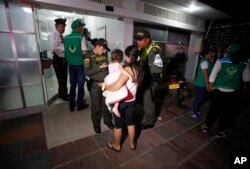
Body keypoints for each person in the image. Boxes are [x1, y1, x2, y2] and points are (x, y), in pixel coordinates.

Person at [202, 44, 249, 138]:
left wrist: (210, 86)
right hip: (233, 93)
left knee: (213, 110)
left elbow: (213, 75)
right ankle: (220, 131)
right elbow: (246, 78)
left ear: (229, 52)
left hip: (218, 91)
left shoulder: (221, 61)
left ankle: (206, 127)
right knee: (226, 112)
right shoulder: (245, 63)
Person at [104, 45, 144, 152]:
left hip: (122, 101)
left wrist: (106, 87)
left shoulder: (127, 68)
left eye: (126, 56)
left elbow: (117, 86)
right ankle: (132, 143)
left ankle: (117, 145)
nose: (126, 58)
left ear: (130, 56)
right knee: (131, 123)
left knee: (118, 125)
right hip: (132, 100)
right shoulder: (139, 68)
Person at [84, 38, 114, 133]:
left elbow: (107, 69)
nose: (104, 51)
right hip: (95, 84)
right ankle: (96, 124)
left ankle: (107, 121)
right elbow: (87, 72)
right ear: (98, 46)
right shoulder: (88, 56)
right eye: (103, 48)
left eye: (105, 49)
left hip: (105, 83)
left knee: (106, 103)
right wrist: (100, 67)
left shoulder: (103, 55)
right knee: (96, 106)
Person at [135, 29, 164, 129]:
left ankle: (150, 122)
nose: (138, 42)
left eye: (140, 40)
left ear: (147, 40)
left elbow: (157, 69)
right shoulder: (144, 48)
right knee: (143, 98)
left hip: (151, 79)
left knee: (148, 100)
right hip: (145, 77)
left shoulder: (155, 51)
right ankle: (146, 115)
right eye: (137, 40)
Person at [64, 19, 89, 111]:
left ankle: (71, 105)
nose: (82, 28)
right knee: (81, 85)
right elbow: (84, 52)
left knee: (73, 85)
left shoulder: (66, 37)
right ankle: (80, 104)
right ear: (78, 28)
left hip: (71, 65)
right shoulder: (81, 37)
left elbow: (65, 51)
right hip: (79, 65)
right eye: (81, 27)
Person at [102, 49, 133, 117]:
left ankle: (108, 103)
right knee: (119, 94)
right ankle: (115, 107)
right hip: (115, 81)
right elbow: (123, 72)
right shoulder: (120, 65)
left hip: (109, 80)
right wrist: (129, 75)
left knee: (110, 93)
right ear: (121, 58)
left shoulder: (110, 64)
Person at [48, 18, 69, 101]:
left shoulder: (61, 35)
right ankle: (63, 95)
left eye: (64, 27)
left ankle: (63, 93)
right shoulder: (52, 35)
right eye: (62, 27)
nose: (63, 29)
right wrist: (64, 48)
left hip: (63, 60)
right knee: (61, 79)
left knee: (64, 78)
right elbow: (53, 48)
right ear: (57, 26)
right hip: (58, 60)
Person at [191, 48, 214, 119]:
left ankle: (194, 110)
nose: (211, 55)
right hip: (202, 84)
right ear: (205, 55)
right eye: (210, 54)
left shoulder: (207, 61)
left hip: (201, 83)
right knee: (200, 98)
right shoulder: (204, 62)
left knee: (199, 98)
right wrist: (208, 85)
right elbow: (205, 74)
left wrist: (211, 60)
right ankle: (194, 112)